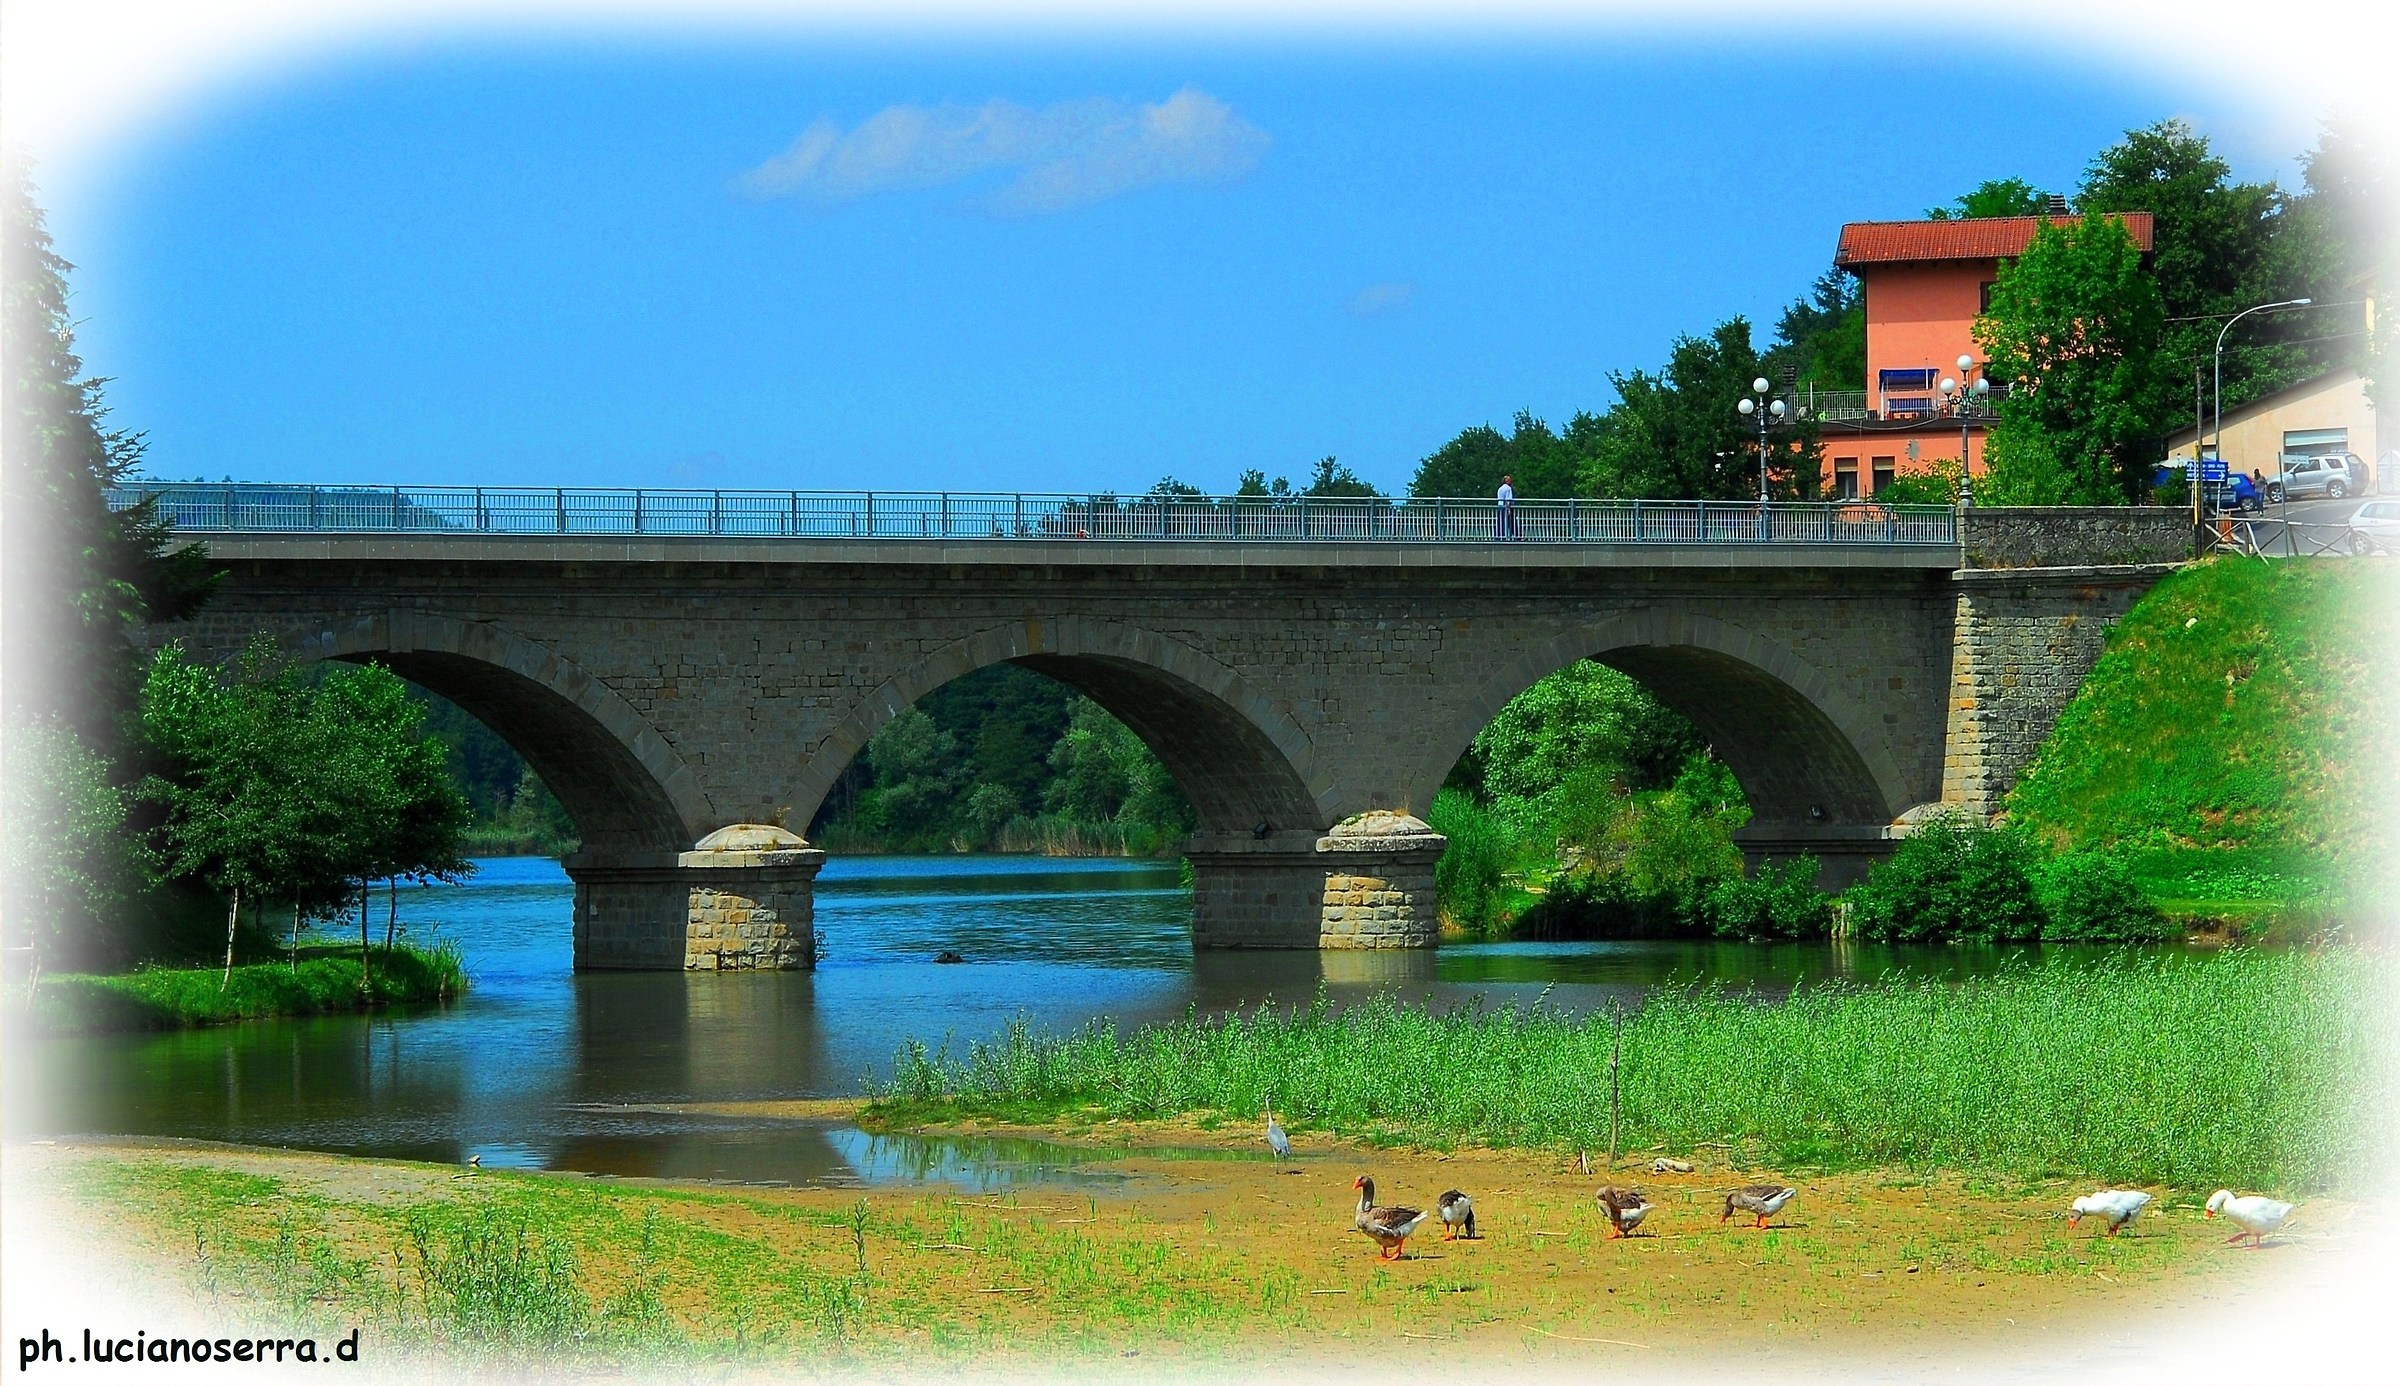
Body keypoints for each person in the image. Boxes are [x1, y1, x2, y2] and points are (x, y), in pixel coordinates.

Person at [1495, 474, 1517, 539]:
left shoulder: (1500, 488)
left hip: (1500, 506)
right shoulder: (1508, 488)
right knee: (1511, 522)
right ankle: (1517, 535)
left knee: (1500, 522)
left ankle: (1499, 536)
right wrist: (1509, 509)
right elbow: (1508, 499)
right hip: (1506, 507)